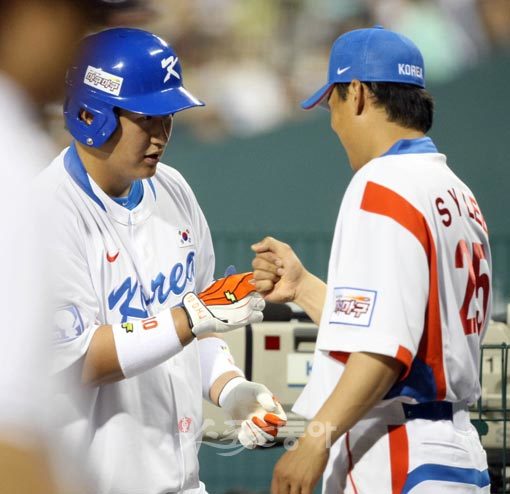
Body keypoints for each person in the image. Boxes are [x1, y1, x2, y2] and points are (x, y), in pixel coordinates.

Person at [37, 27, 286, 494]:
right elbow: (77, 360)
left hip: (184, 481)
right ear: (93, 115)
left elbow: (202, 326)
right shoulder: (47, 212)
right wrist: (189, 318)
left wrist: (230, 388)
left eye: (168, 117)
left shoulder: (173, 189)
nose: (162, 135)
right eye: (147, 119)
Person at [252, 26, 492, 494]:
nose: (333, 123)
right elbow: (400, 325)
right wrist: (303, 287)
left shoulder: (382, 184)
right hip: (455, 453)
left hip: (399, 450)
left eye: (333, 104)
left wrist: (314, 440)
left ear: (358, 93)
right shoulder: (455, 191)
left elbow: (384, 351)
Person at [0, 1, 148, 492]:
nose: (79, 44)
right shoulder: (14, 161)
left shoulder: (174, 194)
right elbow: (9, 438)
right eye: (80, 18)